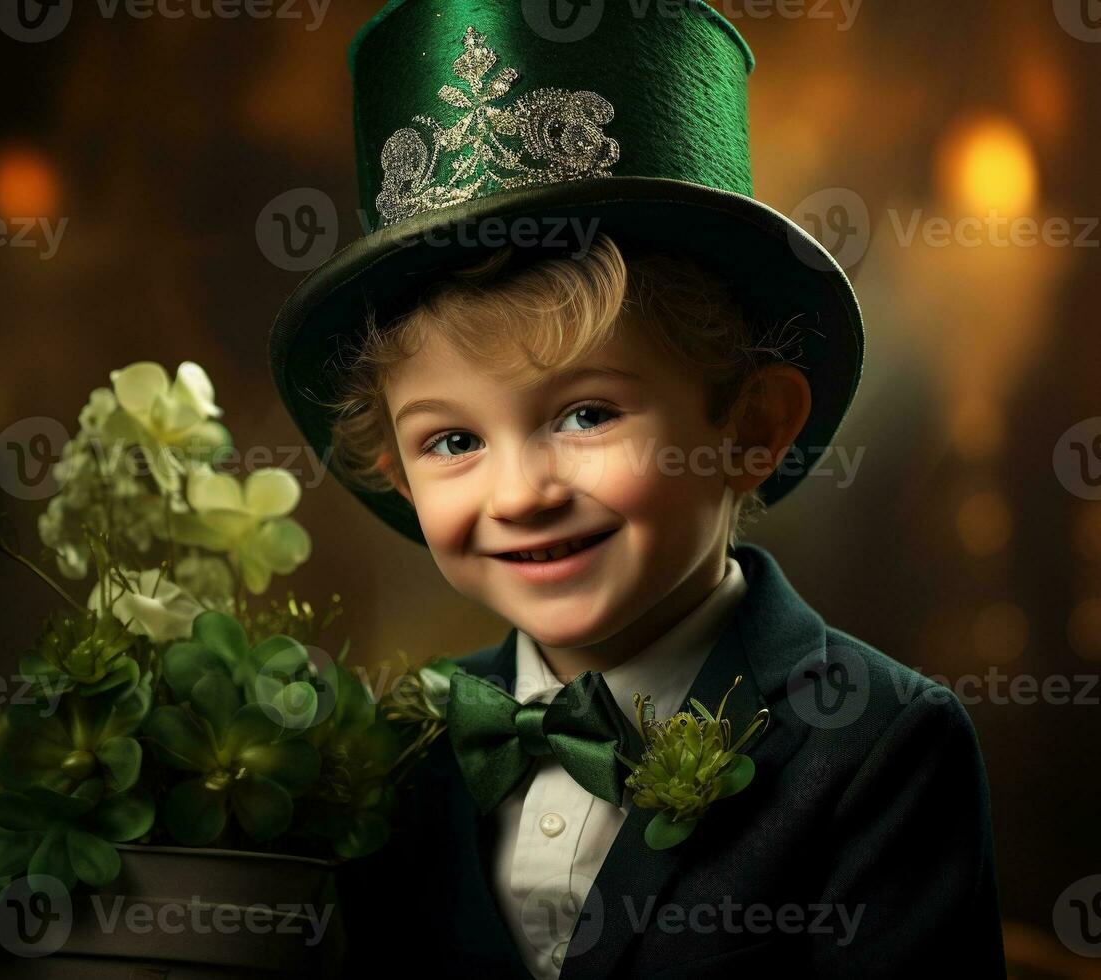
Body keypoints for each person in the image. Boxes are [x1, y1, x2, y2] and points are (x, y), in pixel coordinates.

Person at [268, 2, 1004, 977]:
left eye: (586, 415)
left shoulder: (876, 746)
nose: (522, 491)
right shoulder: (395, 753)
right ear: (394, 471)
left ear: (750, 427)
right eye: (451, 439)